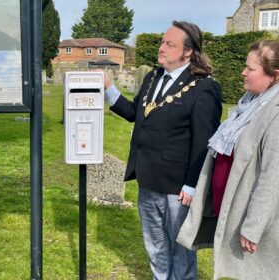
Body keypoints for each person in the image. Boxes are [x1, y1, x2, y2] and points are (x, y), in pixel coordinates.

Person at [103, 21, 222, 279]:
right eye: (162, 42)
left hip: (178, 187)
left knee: (180, 252)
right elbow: (136, 113)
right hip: (147, 177)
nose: (162, 48)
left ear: (188, 52)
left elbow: (204, 142)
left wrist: (192, 185)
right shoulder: (153, 77)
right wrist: (109, 89)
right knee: (155, 247)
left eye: (170, 44)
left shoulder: (204, 87)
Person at [177, 40, 279, 279]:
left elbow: (272, 177)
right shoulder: (249, 103)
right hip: (232, 207)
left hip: (253, 216)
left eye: (251, 69)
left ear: (274, 75)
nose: (243, 72)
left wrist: (252, 228)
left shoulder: (274, 112)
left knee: (257, 272)